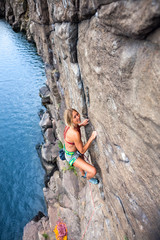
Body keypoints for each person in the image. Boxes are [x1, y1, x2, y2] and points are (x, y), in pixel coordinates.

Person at [63, 108, 99, 184]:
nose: (78, 117)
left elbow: (75, 127)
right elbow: (82, 151)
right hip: (72, 156)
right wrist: (92, 137)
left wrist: (81, 124)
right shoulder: (74, 133)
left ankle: (83, 174)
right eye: (74, 117)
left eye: (77, 114)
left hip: (71, 150)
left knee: (82, 161)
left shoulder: (69, 126)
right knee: (93, 171)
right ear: (70, 121)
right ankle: (88, 177)